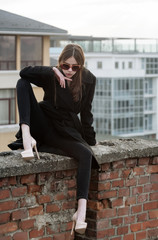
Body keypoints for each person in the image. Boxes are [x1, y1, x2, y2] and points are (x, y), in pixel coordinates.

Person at [8, 43, 99, 235]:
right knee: (22, 83)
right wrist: (52, 72)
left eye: (75, 67)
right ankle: (26, 136)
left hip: (64, 131)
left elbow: (86, 113)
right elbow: (24, 73)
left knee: (85, 154)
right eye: (66, 66)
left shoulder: (89, 80)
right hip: (43, 123)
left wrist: (90, 140)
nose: (70, 70)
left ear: (81, 66)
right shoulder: (54, 74)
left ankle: (80, 212)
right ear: (60, 63)